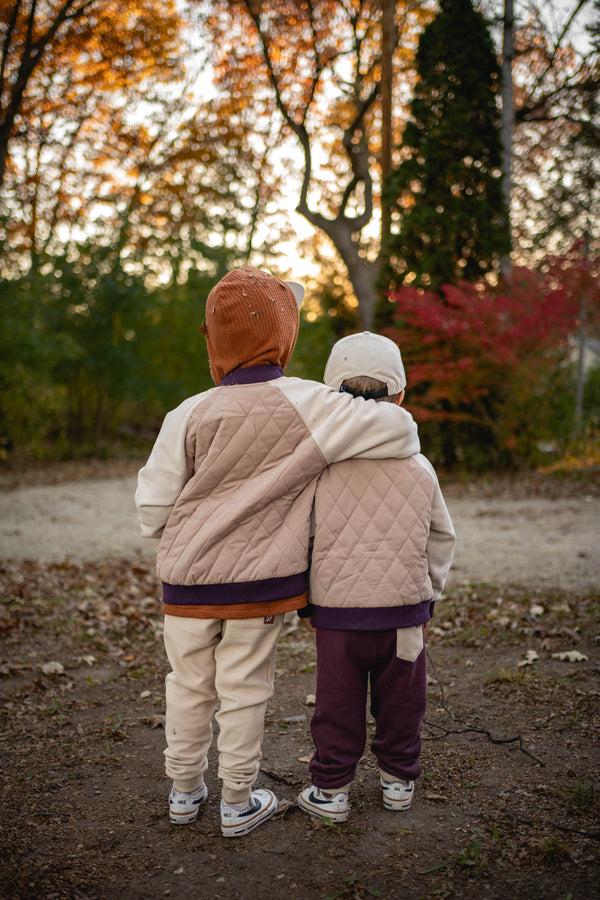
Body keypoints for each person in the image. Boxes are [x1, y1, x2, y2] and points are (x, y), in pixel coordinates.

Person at [135, 269, 421, 838]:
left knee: (186, 685)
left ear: (213, 342)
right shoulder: (312, 404)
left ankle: (184, 792)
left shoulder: (187, 413)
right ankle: (237, 802)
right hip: (259, 587)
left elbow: (150, 510)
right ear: (285, 338)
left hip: (187, 585)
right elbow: (399, 429)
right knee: (243, 691)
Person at [297, 332, 455, 822]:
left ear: (330, 393)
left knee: (336, 703)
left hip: (338, 615)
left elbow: (302, 536)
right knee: (403, 699)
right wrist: (428, 595)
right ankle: (399, 780)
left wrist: (305, 599)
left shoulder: (319, 466)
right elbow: (441, 538)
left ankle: (332, 791)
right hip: (405, 614)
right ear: (401, 395)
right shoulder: (420, 466)